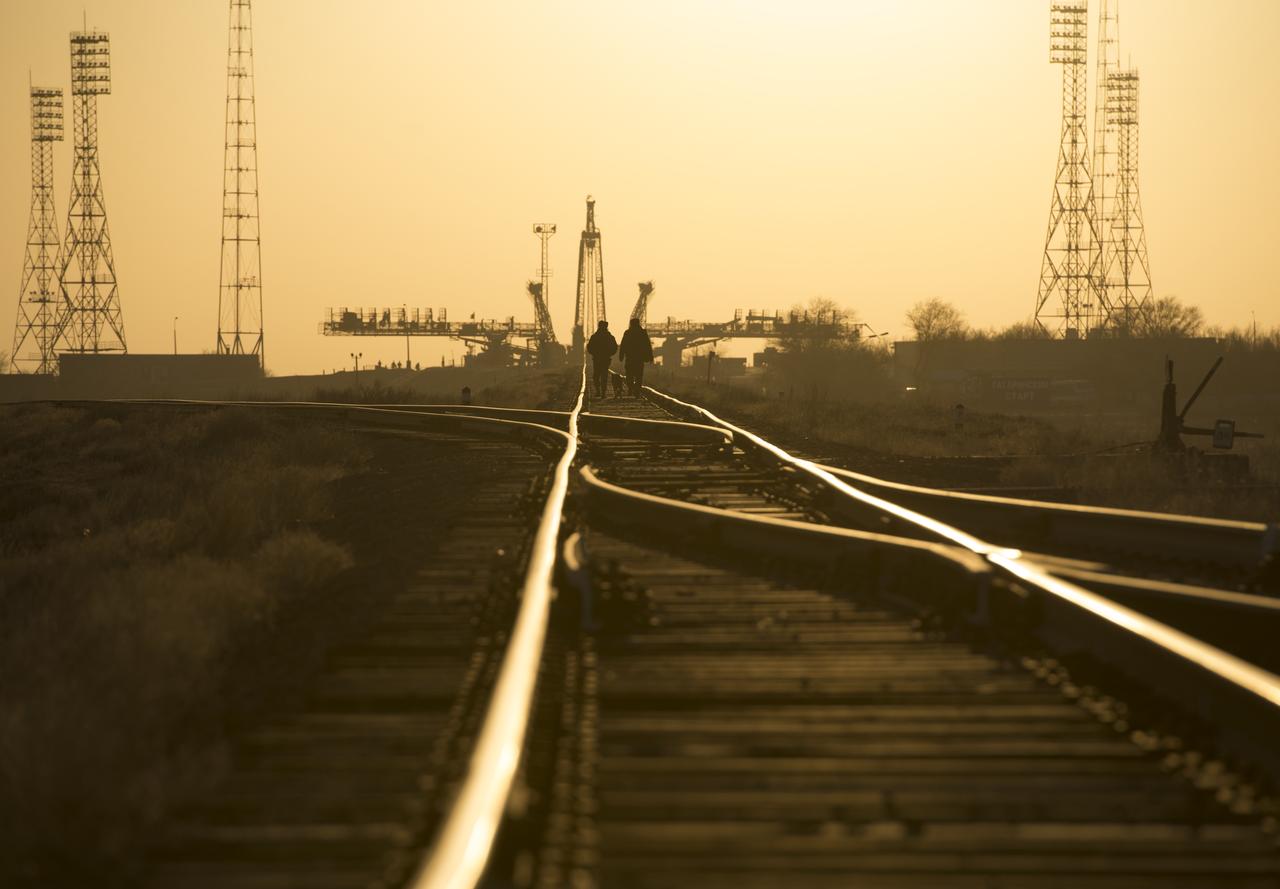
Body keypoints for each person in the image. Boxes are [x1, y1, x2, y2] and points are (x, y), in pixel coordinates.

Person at [618, 317, 654, 396]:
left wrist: (621, 355)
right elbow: (647, 345)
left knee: (629, 375)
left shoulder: (627, 333)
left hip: (630, 358)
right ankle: (637, 390)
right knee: (639, 375)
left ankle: (630, 388)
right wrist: (650, 356)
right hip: (639, 359)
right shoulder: (643, 333)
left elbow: (623, 345)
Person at [586, 320, 617, 397]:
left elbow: (589, 347)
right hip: (606, 358)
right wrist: (610, 354)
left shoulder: (594, 337)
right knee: (604, 375)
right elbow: (614, 347)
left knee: (596, 375)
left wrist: (594, 353)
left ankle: (598, 391)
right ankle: (603, 392)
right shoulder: (610, 337)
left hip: (597, 358)